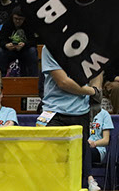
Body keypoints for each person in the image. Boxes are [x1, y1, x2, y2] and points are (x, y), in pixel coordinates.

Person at [37, 46, 101, 190]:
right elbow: (63, 82)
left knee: (77, 166)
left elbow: (98, 69)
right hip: (54, 113)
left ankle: (87, 182)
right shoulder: (50, 47)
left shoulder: (89, 43)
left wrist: (97, 90)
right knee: (52, 163)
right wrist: (91, 91)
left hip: (81, 113)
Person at [0, 7, 38, 76]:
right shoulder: (7, 24)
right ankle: (1, 77)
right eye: (15, 19)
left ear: (24, 19)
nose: (17, 21)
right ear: (12, 17)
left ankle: (34, 77)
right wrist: (6, 45)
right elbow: (1, 41)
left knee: (32, 51)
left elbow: (34, 41)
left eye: (20, 19)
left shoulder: (29, 25)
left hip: (24, 50)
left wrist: (24, 45)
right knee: (1, 52)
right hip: (10, 50)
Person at [88, 105, 114, 191]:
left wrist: (94, 143)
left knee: (85, 152)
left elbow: (106, 140)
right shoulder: (79, 112)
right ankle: (90, 179)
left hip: (98, 149)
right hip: (81, 147)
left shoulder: (104, 114)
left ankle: (90, 181)